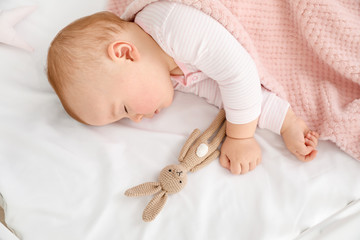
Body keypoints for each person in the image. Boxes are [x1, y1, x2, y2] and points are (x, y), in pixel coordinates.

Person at [47, 1, 319, 175]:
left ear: (125, 54)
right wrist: (285, 121)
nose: (137, 119)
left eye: (126, 109)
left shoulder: (172, 26)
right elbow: (226, 94)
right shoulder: (172, 74)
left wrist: (240, 137)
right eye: (127, 118)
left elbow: (239, 74)